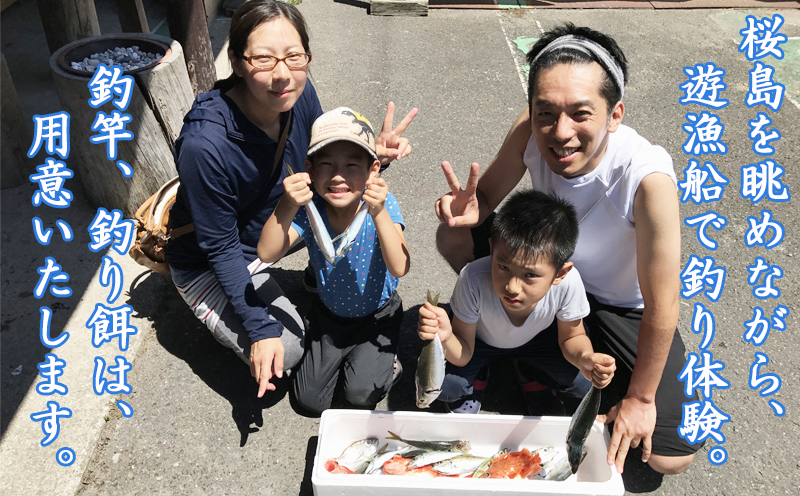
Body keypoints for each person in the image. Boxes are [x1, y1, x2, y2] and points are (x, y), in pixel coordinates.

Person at [434, 23, 698, 475]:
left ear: (615, 114)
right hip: (547, 273)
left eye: (581, 113)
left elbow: (663, 302)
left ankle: (544, 351)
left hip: (618, 304)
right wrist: (462, 212)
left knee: (670, 457)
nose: (560, 132)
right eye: (545, 112)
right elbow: (482, 207)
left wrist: (640, 397)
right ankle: (507, 333)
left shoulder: (647, 179)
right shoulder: (529, 130)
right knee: (451, 233)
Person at [164, 0, 416, 399]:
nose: (283, 75)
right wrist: (258, 328)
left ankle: (318, 277)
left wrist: (369, 158)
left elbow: (322, 170)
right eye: (263, 59)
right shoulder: (205, 145)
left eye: (294, 56)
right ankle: (214, 310)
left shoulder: (298, 95)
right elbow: (221, 246)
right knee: (291, 351)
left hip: (272, 233)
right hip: (212, 261)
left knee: (332, 217)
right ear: (237, 61)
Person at [258, 107, 410, 414]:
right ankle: (358, 363)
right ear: (309, 170)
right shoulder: (309, 206)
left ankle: (386, 362)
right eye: (326, 164)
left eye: (352, 165)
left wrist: (379, 213)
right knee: (308, 402)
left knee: (360, 396)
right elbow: (267, 253)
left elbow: (400, 266)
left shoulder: (380, 205)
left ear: (373, 170)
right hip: (329, 314)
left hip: (377, 314)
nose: (338, 175)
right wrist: (287, 204)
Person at [418, 189, 615, 415]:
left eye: (530, 275)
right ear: (492, 249)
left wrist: (586, 357)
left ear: (560, 273)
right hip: (479, 341)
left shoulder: (569, 284)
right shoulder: (472, 279)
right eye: (503, 267)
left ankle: (530, 370)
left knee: (583, 382)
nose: (512, 287)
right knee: (444, 387)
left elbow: (573, 336)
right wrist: (446, 336)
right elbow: (462, 352)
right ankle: (482, 371)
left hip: (538, 340)